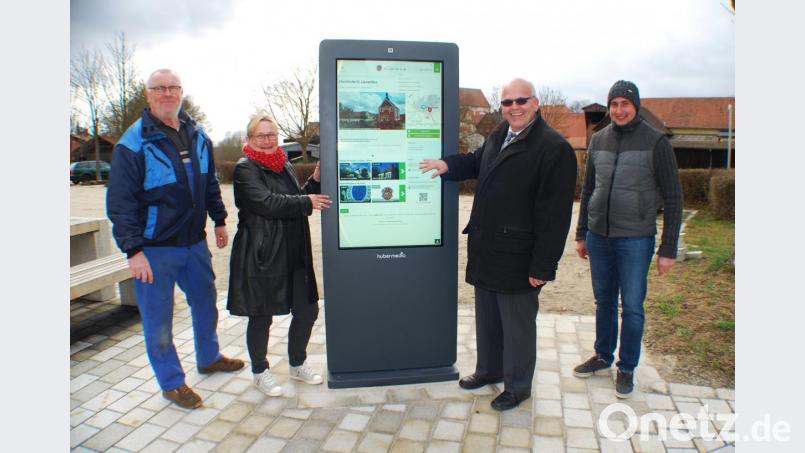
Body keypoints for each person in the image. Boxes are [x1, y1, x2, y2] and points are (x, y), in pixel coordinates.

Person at [420, 78, 577, 411]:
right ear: (502, 107)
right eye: (508, 102)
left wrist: (543, 266)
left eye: (521, 101)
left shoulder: (553, 148)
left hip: (519, 258)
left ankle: (518, 386)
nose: (514, 107)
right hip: (487, 249)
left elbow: (555, 214)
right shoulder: (498, 135)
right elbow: (477, 161)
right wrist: (447, 164)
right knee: (488, 318)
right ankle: (489, 369)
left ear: (535, 103)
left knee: (517, 326)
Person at [107, 69, 244, 409]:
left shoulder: (198, 136)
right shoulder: (133, 142)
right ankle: (171, 383)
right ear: (148, 94)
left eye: (173, 87)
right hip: (154, 251)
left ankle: (209, 357)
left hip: (193, 244)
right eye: (160, 88)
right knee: (158, 318)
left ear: (181, 92)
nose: (167, 93)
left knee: (205, 302)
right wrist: (133, 250)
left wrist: (219, 220)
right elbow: (120, 203)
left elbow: (209, 182)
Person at [573, 80, 683, 398]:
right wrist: (582, 233)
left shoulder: (656, 142)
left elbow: (674, 196)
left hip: (635, 239)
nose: (619, 110)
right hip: (599, 237)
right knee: (603, 302)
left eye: (625, 104)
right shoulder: (599, 140)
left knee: (632, 306)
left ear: (635, 106)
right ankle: (603, 356)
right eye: (614, 104)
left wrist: (668, 248)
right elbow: (589, 189)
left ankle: (627, 367)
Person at [226, 114, 332, 396]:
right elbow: (267, 203)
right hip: (263, 254)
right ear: (249, 140)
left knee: (308, 310)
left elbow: (295, 198)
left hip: (294, 250)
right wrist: (306, 201)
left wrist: (314, 181)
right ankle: (260, 371)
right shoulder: (244, 169)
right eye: (260, 135)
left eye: (271, 134)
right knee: (261, 315)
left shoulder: (283, 163)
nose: (267, 140)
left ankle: (297, 364)